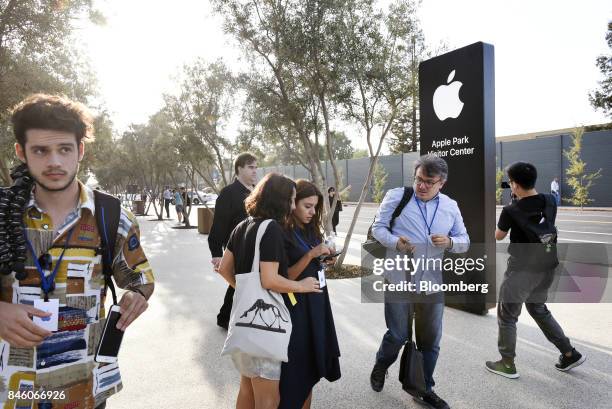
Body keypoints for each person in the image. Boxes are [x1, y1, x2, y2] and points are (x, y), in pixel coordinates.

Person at [0, 94, 154, 409]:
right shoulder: (3, 213)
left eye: (64, 149)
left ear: (80, 151)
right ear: (21, 152)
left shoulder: (111, 216)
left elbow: (142, 279)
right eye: (41, 150)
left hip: (84, 390)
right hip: (13, 389)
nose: (54, 161)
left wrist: (138, 295)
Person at [369, 154, 469, 409]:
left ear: (441, 183)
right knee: (398, 334)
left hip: (431, 281)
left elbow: (464, 240)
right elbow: (378, 228)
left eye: (429, 181)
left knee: (430, 340)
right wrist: (395, 242)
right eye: (418, 179)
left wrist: (450, 243)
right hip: (399, 276)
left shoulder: (450, 206)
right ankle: (381, 364)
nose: (421, 186)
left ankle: (425, 388)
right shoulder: (397, 197)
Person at [217, 173, 322, 409]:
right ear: (280, 200)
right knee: (269, 400)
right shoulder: (271, 228)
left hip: (243, 326)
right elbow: (270, 280)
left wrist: (244, 290)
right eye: (292, 200)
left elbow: (224, 269)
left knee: (247, 391)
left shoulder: (242, 226)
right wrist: (301, 286)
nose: (293, 205)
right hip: (265, 329)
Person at [486, 162, 585, 379]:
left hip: (521, 271)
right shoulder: (550, 200)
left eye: (510, 183)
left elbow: (498, 236)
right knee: (538, 309)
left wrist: (512, 207)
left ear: (514, 184)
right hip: (547, 267)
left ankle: (507, 363)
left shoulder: (511, 209)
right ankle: (569, 353)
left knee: (507, 315)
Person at [279, 180, 341, 409]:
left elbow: (313, 264)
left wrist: (324, 260)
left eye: (315, 207)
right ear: (291, 202)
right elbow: (282, 276)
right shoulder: (281, 231)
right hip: (296, 307)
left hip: (317, 303)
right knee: (297, 370)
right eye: (307, 206)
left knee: (312, 369)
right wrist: (311, 254)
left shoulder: (311, 228)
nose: (312, 212)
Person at [208, 152, 258, 329]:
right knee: (239, 284)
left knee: (241, 284)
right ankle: (225, 318)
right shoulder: (228, 193)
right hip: (236, 249)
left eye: (255, 167)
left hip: (255, 248)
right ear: (239, 169)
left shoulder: (257, 191)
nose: (255, 171)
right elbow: (219, 226)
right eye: (250, 167)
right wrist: (216, 255)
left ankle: (227, 317)